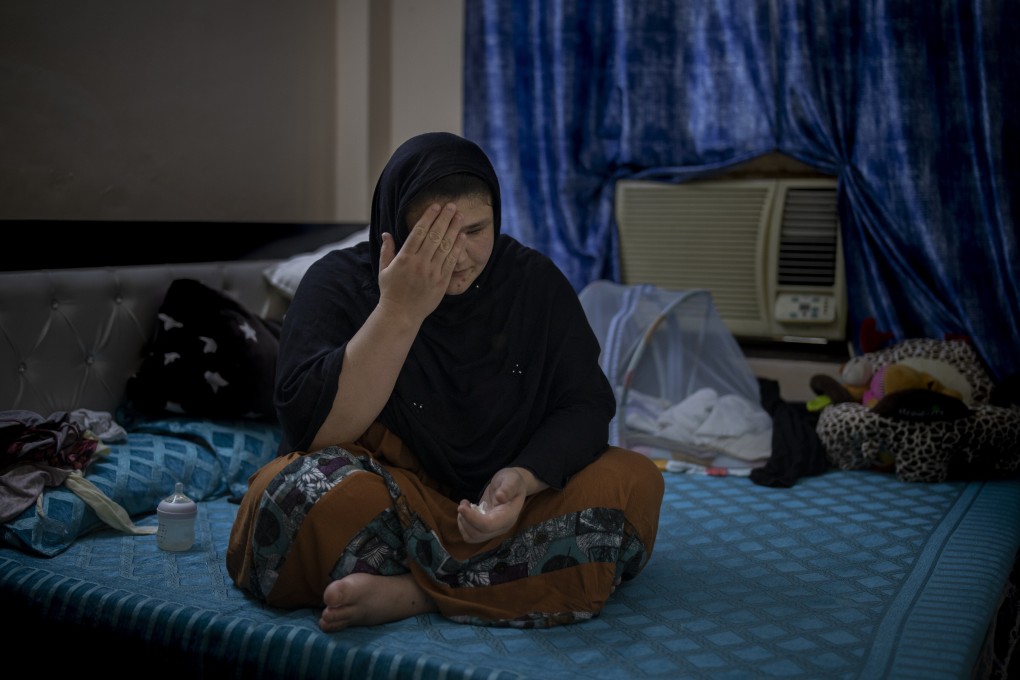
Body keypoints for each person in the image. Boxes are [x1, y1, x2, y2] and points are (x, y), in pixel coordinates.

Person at [227, 131, 664, 631]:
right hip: (390, 495)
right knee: (293, 497)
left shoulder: (532, 280)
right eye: (431, 237)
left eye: (475, 230)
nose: (457, 256)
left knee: (633, 483)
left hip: (511, 510)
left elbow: (584, 405)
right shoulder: (338, 282)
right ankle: (502, 582)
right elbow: (316, 433)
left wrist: (522, 479)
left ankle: (416, 593)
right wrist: (399, 310)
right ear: (394, 230)